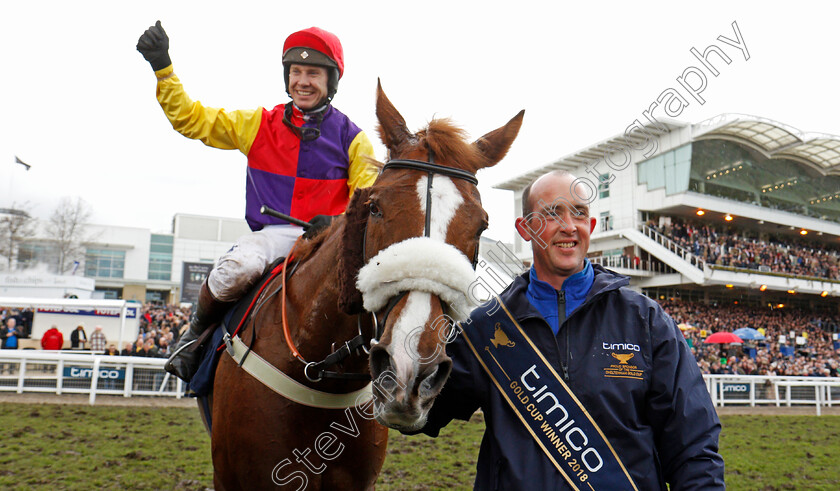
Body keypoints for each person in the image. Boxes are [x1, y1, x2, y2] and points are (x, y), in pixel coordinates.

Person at [411, 171, 724, 489]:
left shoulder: (646, 321)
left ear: (590, 227)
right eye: (551, 213)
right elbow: (417, 409)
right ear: (527, 228)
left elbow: (693, 446)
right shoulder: (485, 327)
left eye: (579, 213)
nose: (568, 226)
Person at [136, 21, 378, 382]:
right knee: (235, 269)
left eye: (313, 73)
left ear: (331, 81)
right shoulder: (257, 124)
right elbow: (191, 120)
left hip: (328, 244)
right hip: (271, 237)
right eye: (296, 71)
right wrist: (163, 68)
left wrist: (338, 223)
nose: (303, 81)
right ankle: (192, 338)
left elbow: (366, 204)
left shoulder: (355, 139)